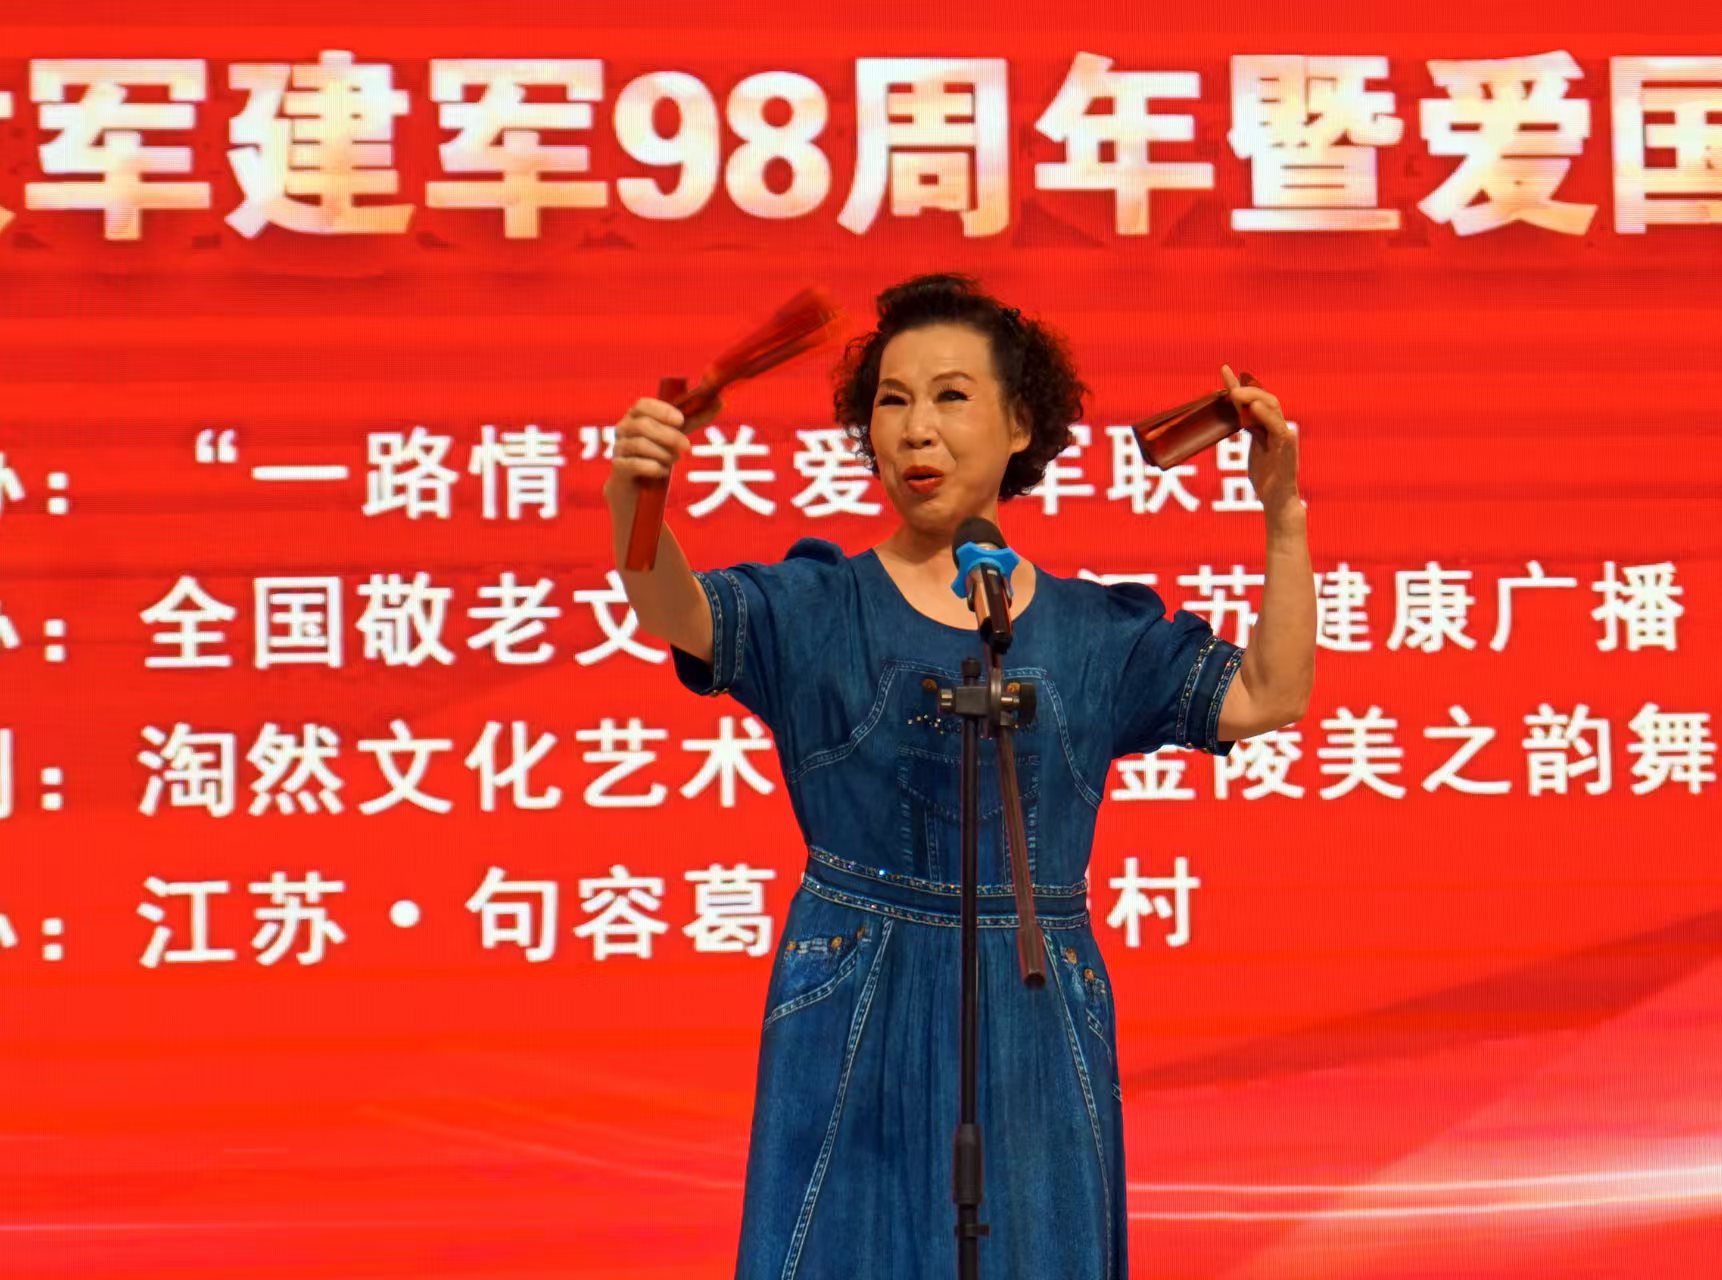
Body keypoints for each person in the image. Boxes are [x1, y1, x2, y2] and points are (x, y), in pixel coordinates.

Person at [602, 273, 1314, 1279]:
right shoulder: (818, 604)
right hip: (854, 984)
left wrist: (1283, 514)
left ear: (1021, 424)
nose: (916, 429)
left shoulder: (1092, 631)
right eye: (892, 401)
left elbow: (1269, 693)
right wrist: (634, 493)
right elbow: (669, 607)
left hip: (1035, 996)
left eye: (950, 396)